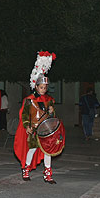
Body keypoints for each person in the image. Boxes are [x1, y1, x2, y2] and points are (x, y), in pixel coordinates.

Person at [14, 51, 64, 183]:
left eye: (45, 87)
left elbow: (52, 117)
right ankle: (26, 169)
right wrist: (27, 126)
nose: (43, 89)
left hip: (46, 129)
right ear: (36, 87)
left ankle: (48, 174)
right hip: (34, 129)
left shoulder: (50, 99)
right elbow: (24, 114)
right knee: (32, 149)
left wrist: (52, 111)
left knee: (48, 151)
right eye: (41, 87)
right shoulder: (29, 100)